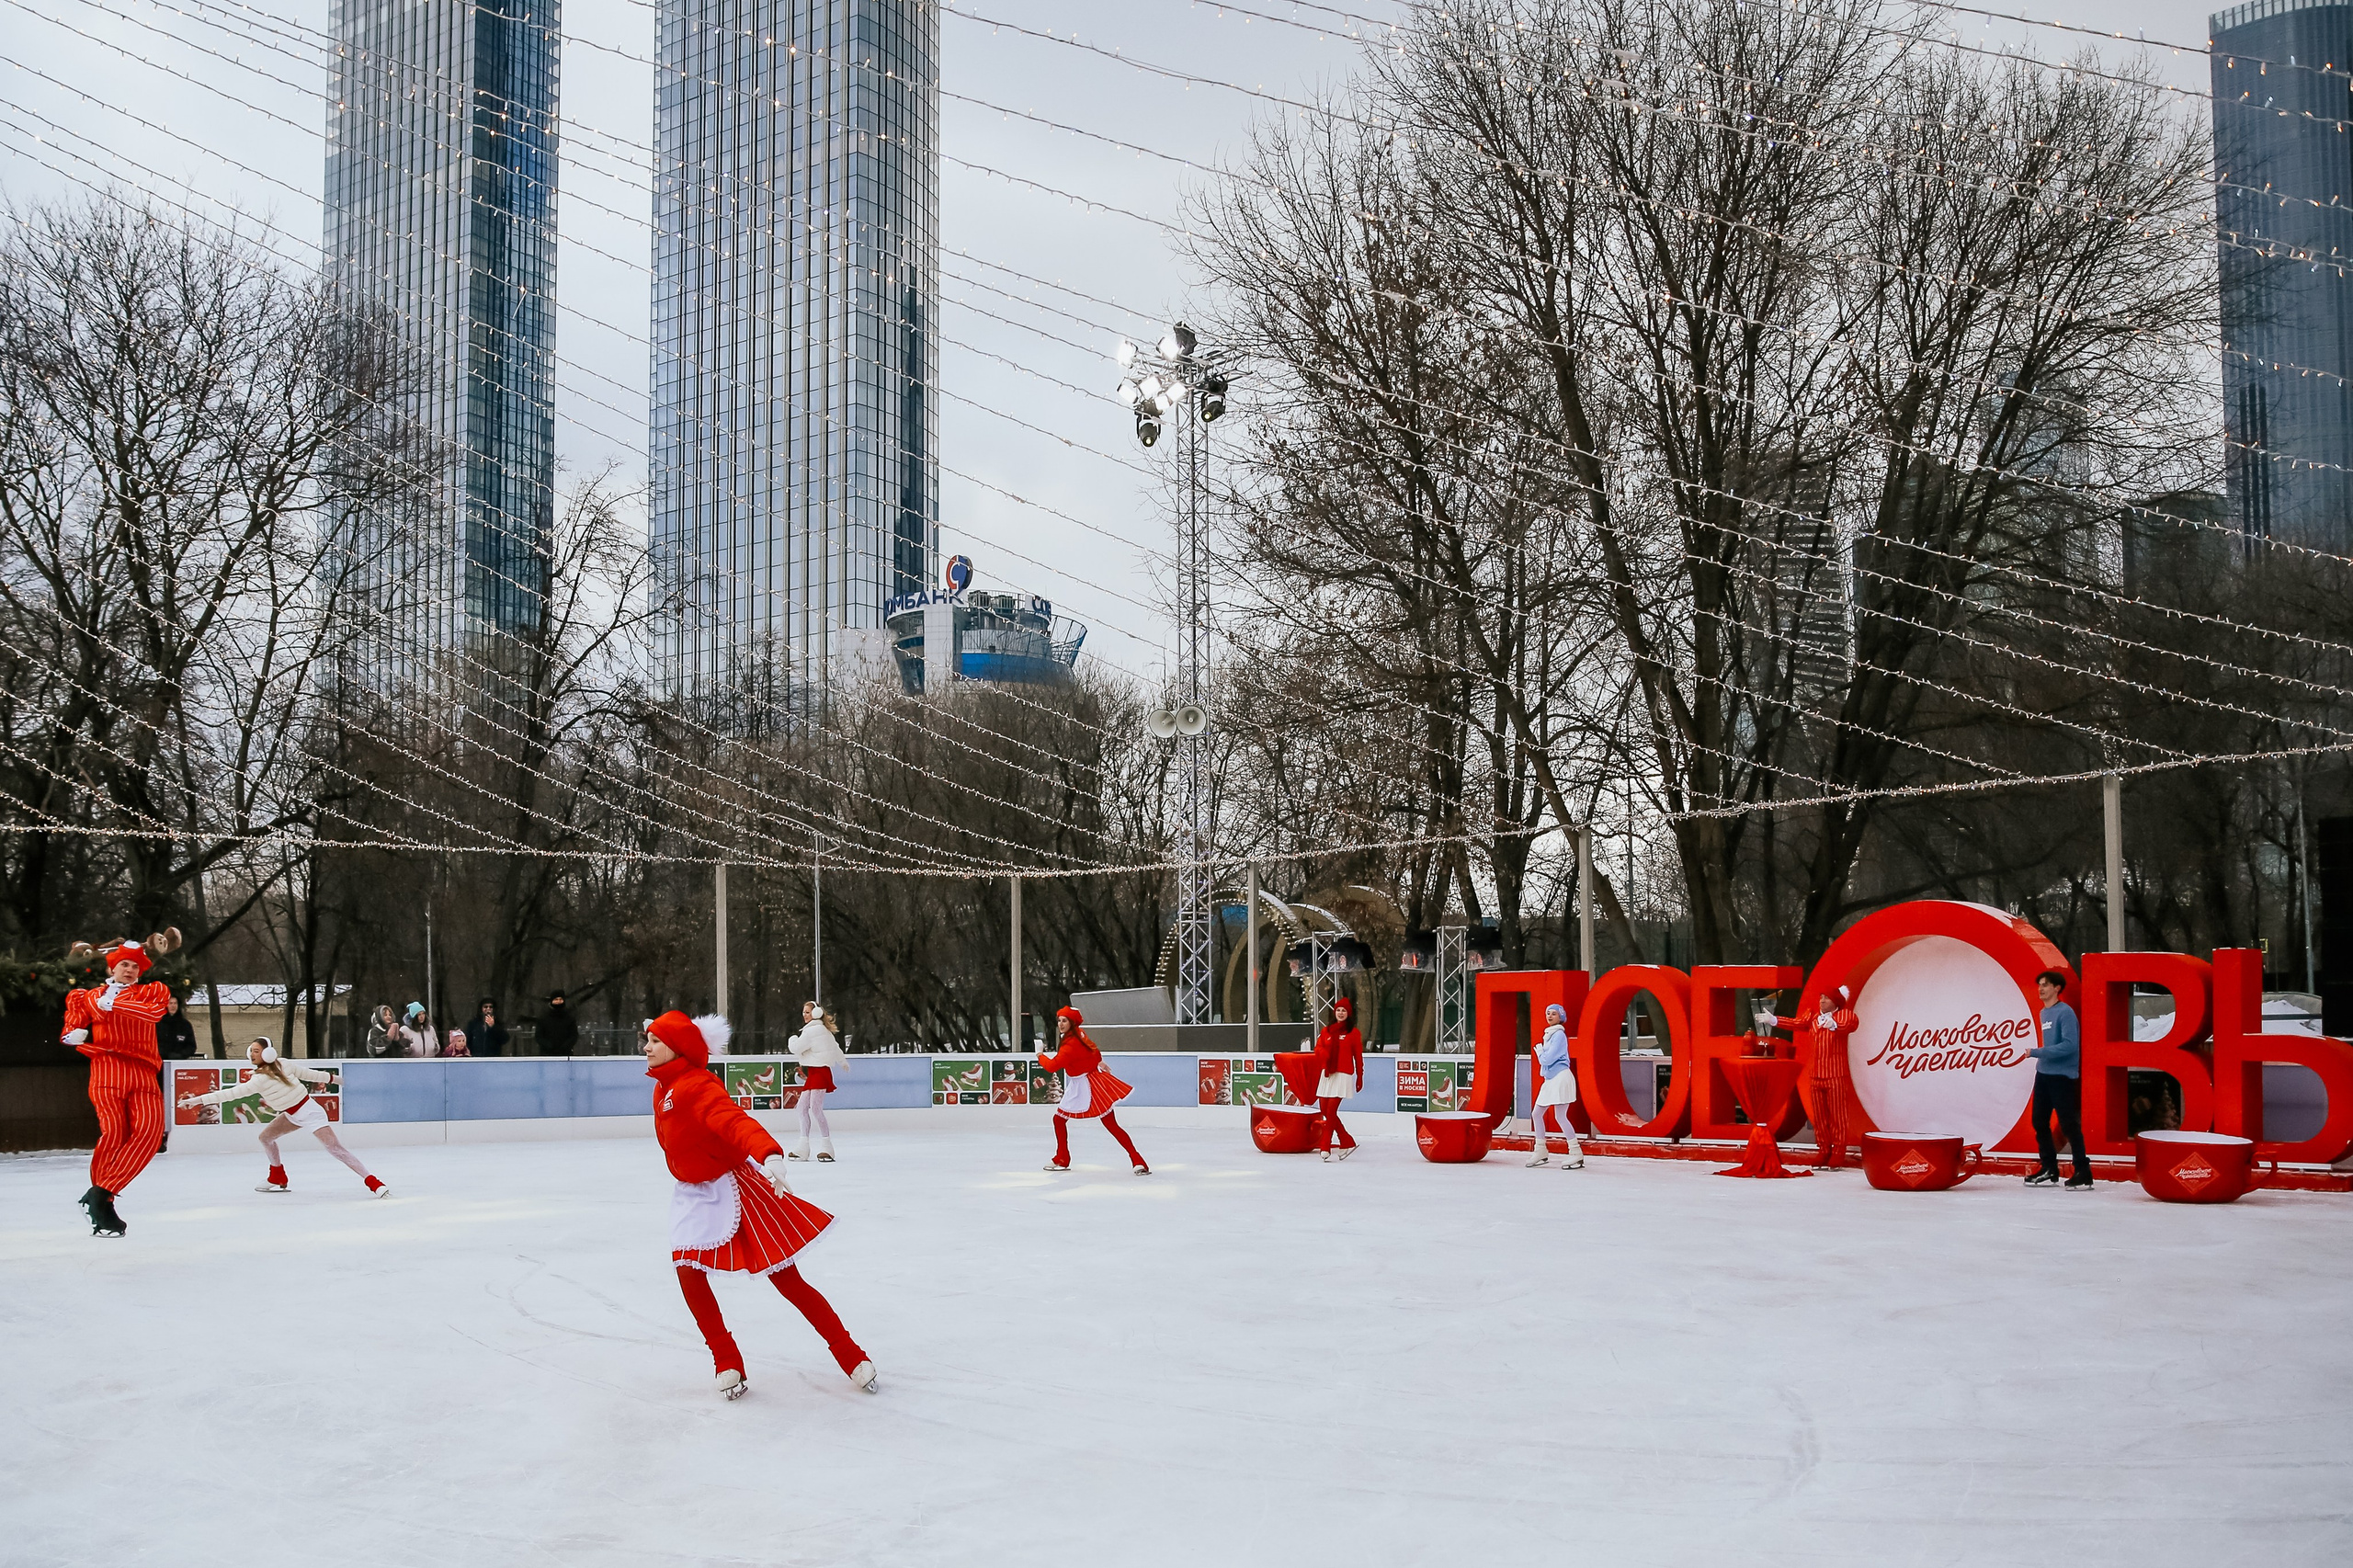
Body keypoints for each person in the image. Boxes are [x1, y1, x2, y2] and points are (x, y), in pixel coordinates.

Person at [642, 1009, 877, 1401]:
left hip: (734, 1187)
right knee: (688, 1272)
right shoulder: (662, 1087)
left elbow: (732, 1120)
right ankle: (726, 1360)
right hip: (692, 1194)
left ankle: (850, 1353)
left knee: (786, 1278)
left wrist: (768, 1154)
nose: (646, 1047)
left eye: (655, 1040)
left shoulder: (697, 1085)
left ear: (678, 1047)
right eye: (646, 1039)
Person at [60, 932, 177, 1236]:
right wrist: (73, 1034)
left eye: (135, 967)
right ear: (112, 968)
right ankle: (103, 1205)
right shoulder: (86, 996)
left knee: (151, 1133)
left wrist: (115, 1002)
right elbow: (71, 1026)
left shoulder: (152, 992)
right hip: (108, 1068)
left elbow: (152, 1014)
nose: (129, 970)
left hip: (143, 1071)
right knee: (115, 1132)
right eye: (124, 964)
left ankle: (100, 1193)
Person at [178, 1037, 389, 1198]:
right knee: (265, 1138)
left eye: (257, 1051)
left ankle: (374, 1183)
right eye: (250, 1051)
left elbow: (310, 1074)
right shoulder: (258, 1079)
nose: (252, 1055)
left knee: (334, 1148)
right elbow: (229, 1094)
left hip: (310, 1112)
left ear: (268, 1053)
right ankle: (277, 1176)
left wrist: (338, 1079)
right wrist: (196, 1100)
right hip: (291, 1115)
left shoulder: (284, 1065)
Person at [1039, 1005, 1150, 1175]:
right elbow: (1094, 1051)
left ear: (1072, 1022)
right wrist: (1098, 1062)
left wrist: (1039, 1055)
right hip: (1090, 1080)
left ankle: (1062, 1158)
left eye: (1065, 1020)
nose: (1061, 1024)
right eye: (1059, 1020)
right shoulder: (1079, 1034)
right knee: (1065, 1120)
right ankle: (1137, 1160)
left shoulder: (1070, 1044)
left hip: (1086, 1085)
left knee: (1065, 1120)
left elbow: (1052, 1066)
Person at [1760, 986, 1859, 1170]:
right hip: (1816, 1075)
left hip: (1835, 1075)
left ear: (1836, 1002)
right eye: (1821, 997)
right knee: (1820, 1118)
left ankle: (1838, 1152)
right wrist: (1774, 1020)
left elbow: (1851, 1025)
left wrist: (1834, 1026)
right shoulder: (1813, 1018)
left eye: (1826, 998)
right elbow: (1796, 1023)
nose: (1821, 1001)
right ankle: (1823, 1150)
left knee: (1838, 1116)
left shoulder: (1844, 1016)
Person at [2024, 969, 2091, 1189]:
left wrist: (2037, 1052)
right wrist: (2041, 1057)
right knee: (2039, 1121)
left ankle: (2083, 1170)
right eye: (2039, 985)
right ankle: (2049, 1168)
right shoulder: (2044, 1013)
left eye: (2045, 985)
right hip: (2043, 1074)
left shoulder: (2065, 1013)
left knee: (2068, 1124)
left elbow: (2070, 1046)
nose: (2040, 989)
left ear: (2057, 988)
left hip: (2062, 1076)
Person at [1529, 1001, 1586, 1170]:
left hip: (1560, 1077)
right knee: (1537, 1113)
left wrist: (1539, 1052)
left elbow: (1547, 1059)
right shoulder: (1550, 1034)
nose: (1550, 1016)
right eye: (1548, 1013)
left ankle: (1575, 1153)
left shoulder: (1559, 1035)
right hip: (1551, 1079)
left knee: (1560, 1117)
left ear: (1561, 1016)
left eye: (1554, 1013)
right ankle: (1540, 1150)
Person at [789, 1000, 847, 1162]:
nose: (804, 1015)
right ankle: (803, 1146)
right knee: (801, 1108)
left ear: (815, 1014)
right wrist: (843, 1062)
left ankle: (827, 1146)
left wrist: (792, 1039)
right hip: (815, 1073)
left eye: (807, 1012)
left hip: (820, 1073)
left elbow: (796, 1048)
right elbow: (836, 1048)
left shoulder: (811, 1032)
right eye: (803, 1012)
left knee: (815, 1109)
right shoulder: (823, 1031)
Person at [1312, 995, 1364, 1161]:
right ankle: (1346, 1140)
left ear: (1349, 1014)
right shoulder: (1326, 1031)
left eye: (1344, 1011)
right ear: (1334, 1012)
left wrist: (1360, 1076)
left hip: (1343, 1074)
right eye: (1338, 1010)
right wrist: (1324, 1054)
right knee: (1325, 1110)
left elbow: (1358, 1056)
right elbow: (1317, 1048)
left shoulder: (1353, 1033)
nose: (1341, 1013)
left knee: (1331, 1111)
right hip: (1327, 1073)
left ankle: (1325, 1144)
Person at [154, 990, 199, 1154]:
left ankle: (177, 1137)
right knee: (160, 1102)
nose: (172, 1006)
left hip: (178, 1072)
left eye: (174, 1003)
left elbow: (191, 1046)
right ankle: (158, 1136)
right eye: (169, 1003)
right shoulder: (156, 1023)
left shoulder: (184, 1025)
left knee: (176, 1102)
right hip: (158, 1069)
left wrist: (179, 1056)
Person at [540, 991, 579, 1056]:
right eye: (556, 999)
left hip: (566, 1054)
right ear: (552, 1001)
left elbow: (574, 1036)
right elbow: (539, 1036)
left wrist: (565, 1047)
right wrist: (549, 1046)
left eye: (560, 999)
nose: (558, 1001)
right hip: (546, 1054)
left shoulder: (570, 1018)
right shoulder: (543, 1018)